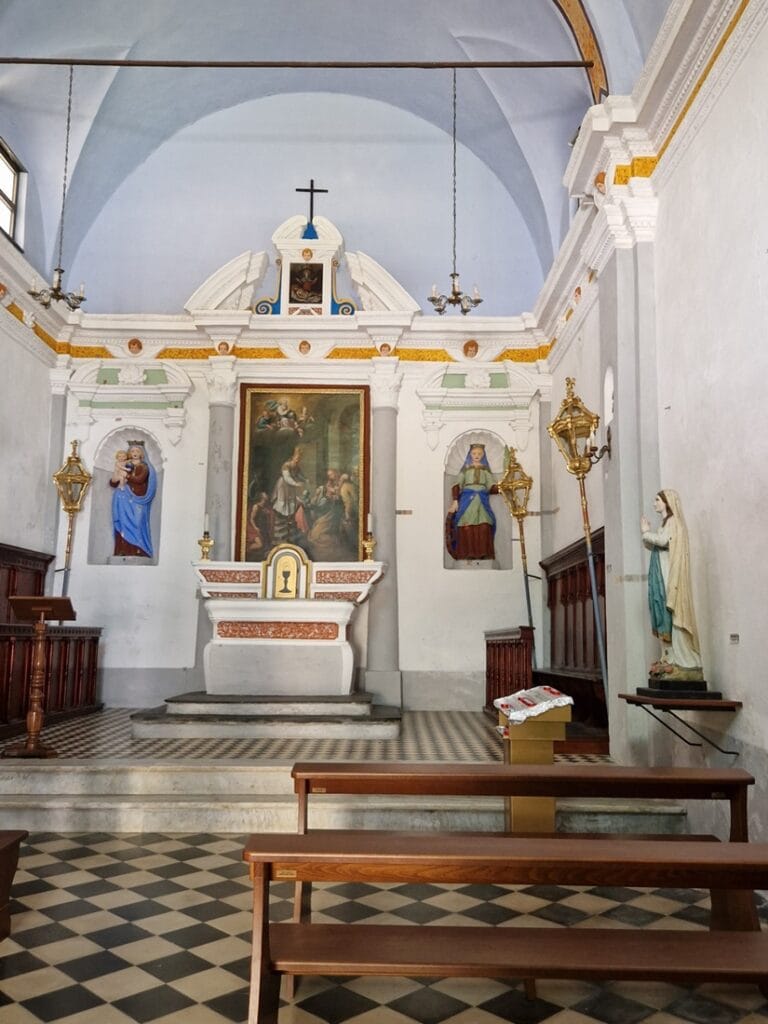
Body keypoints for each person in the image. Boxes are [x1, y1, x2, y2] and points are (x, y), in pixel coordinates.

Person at [641, 490, 703, 680]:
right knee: (660, 610)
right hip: (661, 573)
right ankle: (670, 657)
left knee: (673, 613)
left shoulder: (674, 522)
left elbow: (662, 541)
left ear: (667, 503)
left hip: (669, 576)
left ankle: (685, 661)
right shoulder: (666, 523)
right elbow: (659, 545)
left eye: (657, 500)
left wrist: (645, 532)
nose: (654, 504)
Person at [446, 443, 498, 561]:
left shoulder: (485, 471)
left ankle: (484, 553)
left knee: (485, 525)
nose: (477, 455)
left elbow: (492, 487)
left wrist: (504, 487)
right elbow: (457, 484)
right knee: (466, 526)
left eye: (479, 453)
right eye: (474, 453)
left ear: (483, 455)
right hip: (467, 500)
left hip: (482, 501)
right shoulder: (465, 470)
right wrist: (455, 501)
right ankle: (466, 554)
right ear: (470, 454)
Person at [110, 444, 156, 557]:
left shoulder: (144, 466)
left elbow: (140, 479)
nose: (134, 453)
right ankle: (122, 550)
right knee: (122, 521)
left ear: (141, 453)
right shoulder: (126, 464)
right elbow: (113, 483)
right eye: (132, 451)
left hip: (138, 498)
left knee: (137, 522)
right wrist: (116, 475)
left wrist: (127, 476)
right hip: (123, 496)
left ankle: (138, 550)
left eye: (137, 451)